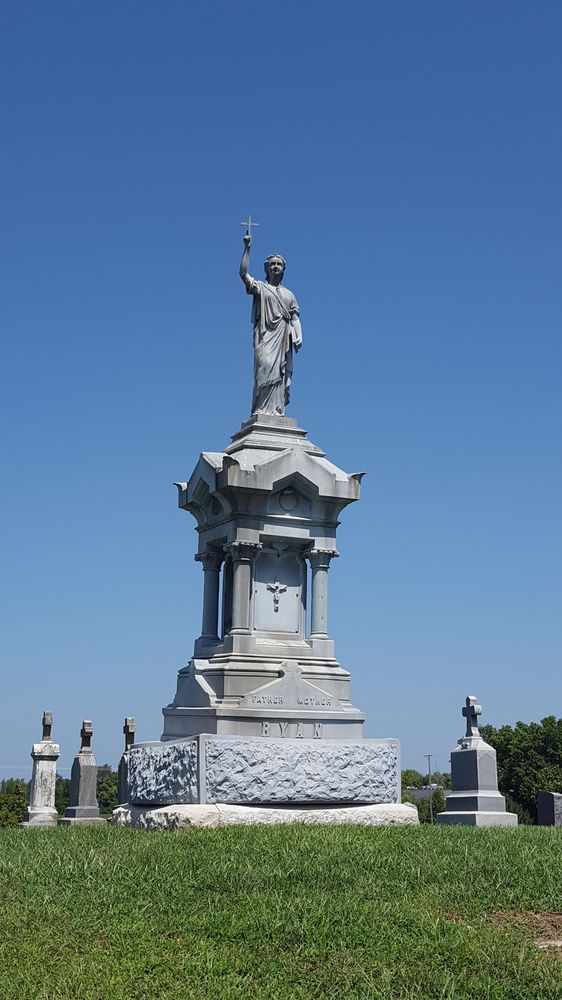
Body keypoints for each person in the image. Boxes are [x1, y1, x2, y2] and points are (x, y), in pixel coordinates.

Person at [239, 232, 302, 415]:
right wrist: (247, 249)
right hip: (265, 337)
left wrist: (298, 336)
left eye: (279, 264)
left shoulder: (290, 295)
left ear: (283, 269)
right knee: (264, 366)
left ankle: (276, 409)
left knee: (280, 375)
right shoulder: (261, 287)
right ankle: (261, 409)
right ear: (267, 268)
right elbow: (243, 274)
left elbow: (295, 318)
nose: (275, 267)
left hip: (282, 339)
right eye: (272, 264)